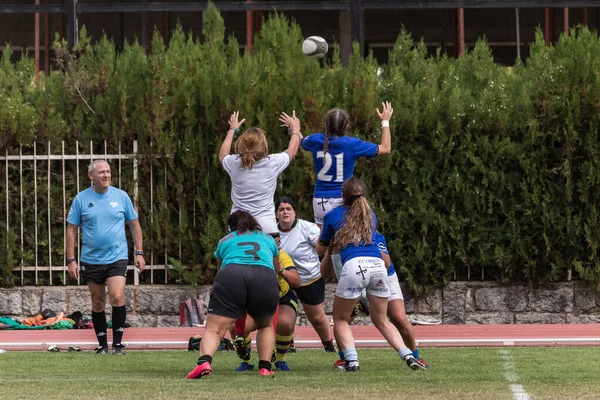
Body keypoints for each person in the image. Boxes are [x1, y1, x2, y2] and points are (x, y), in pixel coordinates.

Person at [315, 177, 423, 372]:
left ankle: (351, 361)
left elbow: (320, 250)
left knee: (340, 319)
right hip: (378, 266)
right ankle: (407, 355)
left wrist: (329, 244)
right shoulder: (370, 214)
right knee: (381, 320)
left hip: (355, 266)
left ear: (343, 196)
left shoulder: (332, 215)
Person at [185, 211, 280, 379]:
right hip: (265, 276)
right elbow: (276, 268)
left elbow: (221, 267)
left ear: (231, 227)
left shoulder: (225, 240)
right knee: (265, 325)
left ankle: (204, 362)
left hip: (232, 273)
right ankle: (265, 367)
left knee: (214, 328)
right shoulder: (268, 239)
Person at [66, 160, 145, 356]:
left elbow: (134, 225)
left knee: (117, 296)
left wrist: (139, 252)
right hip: (91, 259)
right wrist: (71, 260)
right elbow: (71, 229)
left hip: (117, 256)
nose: (106, 175)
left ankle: (118, 345)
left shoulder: (121, 196)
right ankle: (102, 345)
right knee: (98, 301)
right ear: (91, 176)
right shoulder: (81, 199)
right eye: (101, 172)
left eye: (108, 172)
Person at [301, 102, 393, 227]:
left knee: (324, 243)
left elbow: (301, 141)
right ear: (346, 126)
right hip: (343, 199)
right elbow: (385, 148)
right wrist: (385, 121)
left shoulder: (315, 140)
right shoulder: (352, 144)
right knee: (345, 242)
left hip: (320, 200)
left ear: (326, 125)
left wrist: (294, 129)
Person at [219, 111, 302, 235]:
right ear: (264, 146)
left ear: (241, 145)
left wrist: (232, 130)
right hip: (266, 226)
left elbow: (223, 154)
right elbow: (293, 149)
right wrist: (295, 129)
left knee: (235, 255)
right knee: (272, 255)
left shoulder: (233, 163)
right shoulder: (273, 163)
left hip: (237, 225)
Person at [275, 197, 337, 354]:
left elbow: (321, 249)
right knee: (284, 317)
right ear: (276, 214)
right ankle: (288, 343)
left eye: (288, 209)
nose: (285, 212)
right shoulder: (272, 234)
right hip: (284, 280)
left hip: (309, 279)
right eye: (281, 210)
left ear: (295, 212)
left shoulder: (308, 228)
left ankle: (328, 344)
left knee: (317, 318)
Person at [234, 237, 302, 372]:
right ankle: (246, 361)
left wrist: (282, 271)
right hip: (259, 298)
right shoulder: (249, 255)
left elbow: (297, 281)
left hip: (281, 297)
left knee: (285, 324)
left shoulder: (281, 255)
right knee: (235, 325)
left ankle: (280, 359)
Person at [374, 231, 429, 369]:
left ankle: (415, 357)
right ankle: (345, 358)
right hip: (360, 280)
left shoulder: (375, 236)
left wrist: (368, 247)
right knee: (343, 319)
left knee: (399, 319)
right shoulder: (345, 234)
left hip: (385, 277)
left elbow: (386, 262)